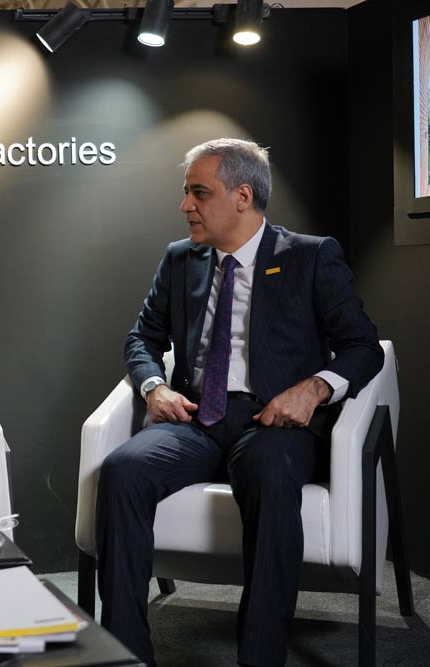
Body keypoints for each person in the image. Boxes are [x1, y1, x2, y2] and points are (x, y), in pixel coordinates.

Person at [96, 139, 384, 667]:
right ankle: (125, 655)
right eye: (186, 193)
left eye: (199, 193)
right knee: (121, 471)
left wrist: (314, 388)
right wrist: (153, 386)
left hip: (272, 423)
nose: (185, 206)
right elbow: (142, 337)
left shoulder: (310, 256)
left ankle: (260, 658)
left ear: (243, 196)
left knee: (269, 472)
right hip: (194, 419)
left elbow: (364, 346)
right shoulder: (180, 259)